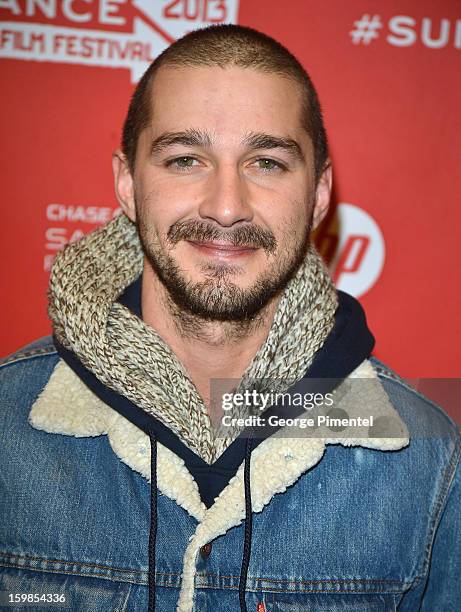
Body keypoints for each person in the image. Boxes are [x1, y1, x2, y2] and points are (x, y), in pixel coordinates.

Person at [0, 24, 460, 612]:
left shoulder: (430, 463)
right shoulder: (8, 427)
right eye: (186, 158)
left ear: (318, 195)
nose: (225, 207)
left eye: (266, 162)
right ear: (128, 184)